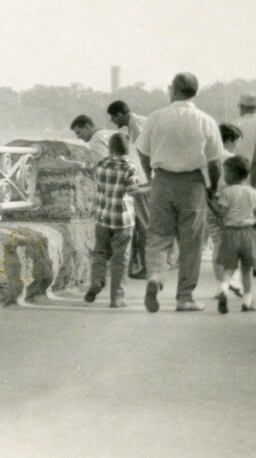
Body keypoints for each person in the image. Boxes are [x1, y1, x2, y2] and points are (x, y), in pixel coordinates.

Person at [136, 72, 223, 313]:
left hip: (162, 181)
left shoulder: (155, 118)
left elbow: (142, 153)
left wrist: (151, 176)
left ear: (173, 90)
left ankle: (154, 275)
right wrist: (212, 189)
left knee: (158, 236)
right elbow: (215, 163)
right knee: (192, 242)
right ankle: (184, 297)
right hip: (193, 184)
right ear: (194, 92)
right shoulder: (205, 120)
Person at [84, 133, 142, 308]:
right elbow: (133, 191)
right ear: (127, 149)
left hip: (102, 215)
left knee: (100, 252)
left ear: (110, 148)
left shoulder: (101, 164)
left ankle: (97, 280)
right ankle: (117, 297)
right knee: (120, 257)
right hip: (122, 218)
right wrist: (151, 189)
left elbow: (88, 171)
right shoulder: (129, 167)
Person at [107, 101, 150, 278]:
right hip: (141, 176)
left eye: (112, 117)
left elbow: (145, 154)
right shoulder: (134, 124)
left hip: (139, 179)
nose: (112, 121)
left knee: (144, 225)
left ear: (119, 114)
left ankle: (148, 268)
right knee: (143, 225)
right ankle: (145, 266)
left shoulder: (138, 125)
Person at [210, 155, 256, 314]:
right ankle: (247, 301)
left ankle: (223, 289)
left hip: (230, 234)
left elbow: (221, 214)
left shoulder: (226, 192)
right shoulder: (252, 192)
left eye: (226, 173)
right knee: (247, 270)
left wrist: (209, 202)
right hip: (248, 234)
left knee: (229, 268)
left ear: (233, 174)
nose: (225, 176)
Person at [207, 124, 245, 298]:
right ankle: (232, 281)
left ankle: (220, 285)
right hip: (232, 203)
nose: (237, 144)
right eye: (236, 140)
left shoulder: (208, 158)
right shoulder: (234, 159)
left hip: (212, 203)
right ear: (230, 139)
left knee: (217, 245)